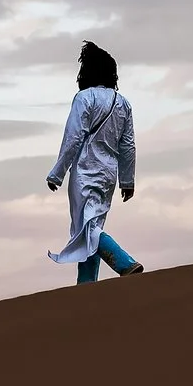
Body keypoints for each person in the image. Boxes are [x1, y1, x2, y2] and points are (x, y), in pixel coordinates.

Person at [45, 40, 143, 280]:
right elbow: (127, 145)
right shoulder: (123, 103)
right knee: (91, 228)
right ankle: (88, 284)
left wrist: (57, 173)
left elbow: (73, 138)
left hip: (85, 171)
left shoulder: (84, 98)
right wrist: (127, 181)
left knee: (87, 229)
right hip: (108, 174)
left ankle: (125, 263)